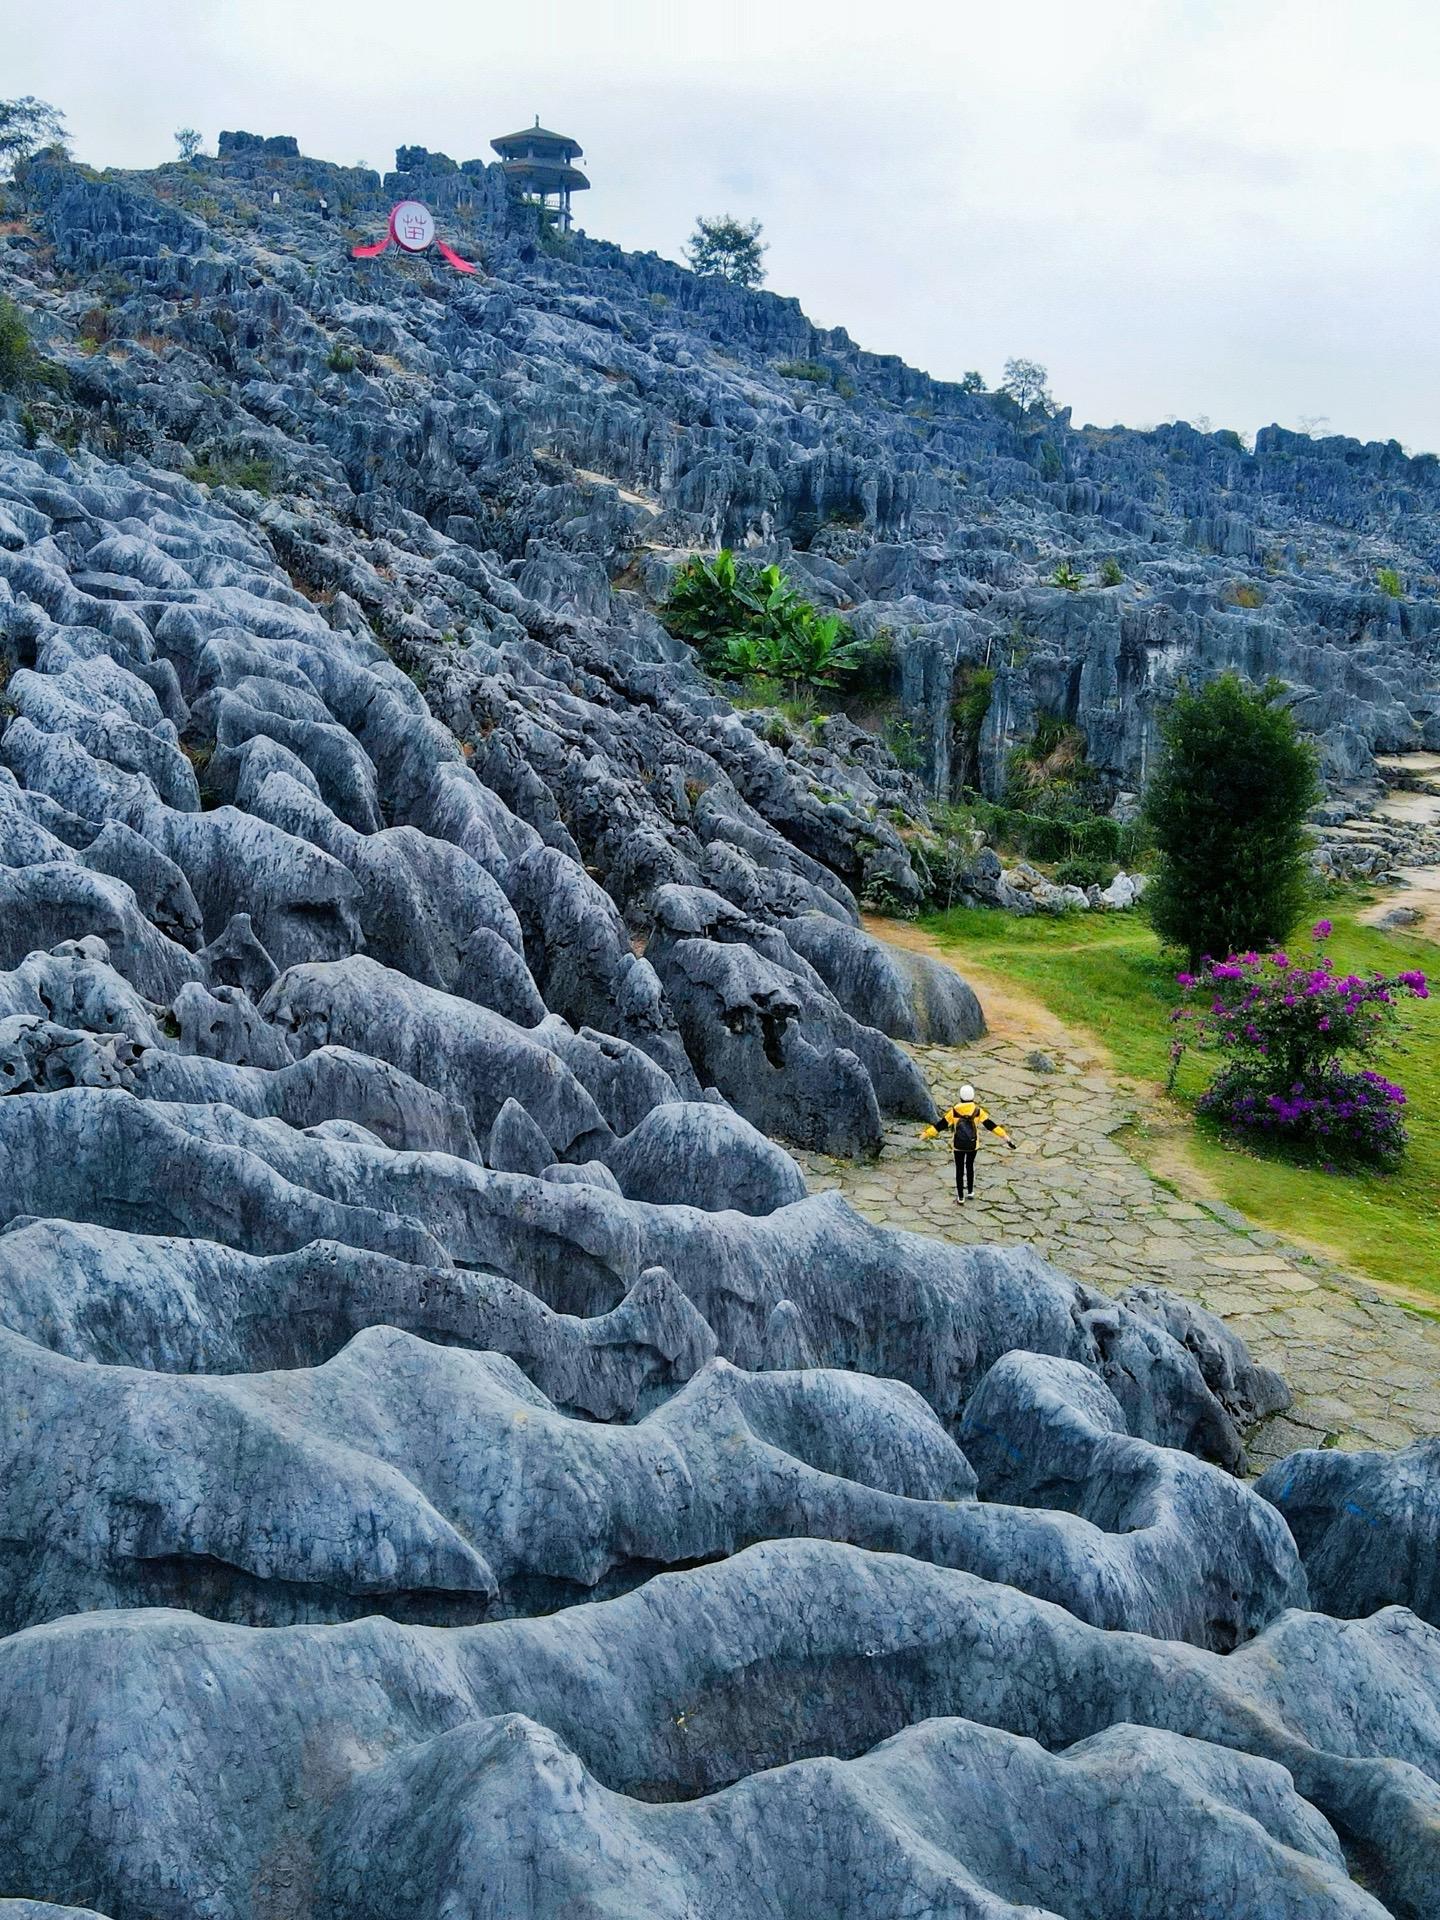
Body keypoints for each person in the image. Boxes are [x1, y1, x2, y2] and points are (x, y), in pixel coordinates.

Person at [922, 1083, 1017, 1203]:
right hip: (973, 1145)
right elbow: (990, 1125)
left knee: (959, 1169)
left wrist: (926, 1134)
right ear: (973, 1096)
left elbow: (941, 1125)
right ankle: (970, 1191)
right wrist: (1005, 1137)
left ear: (960, 1096)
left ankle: (961, 1197)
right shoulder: (977, 1111)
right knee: (970, 1166)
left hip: (958, 1145)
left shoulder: (955, 1111)